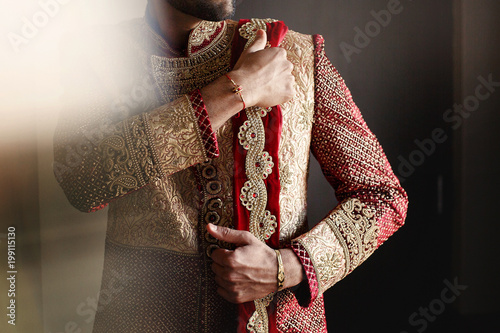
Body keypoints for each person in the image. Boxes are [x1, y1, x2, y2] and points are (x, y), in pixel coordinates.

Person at [53, 0, 408, 332]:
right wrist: (238, 89)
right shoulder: (97, 58)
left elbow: (382, 196)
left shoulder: (293, 54)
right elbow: (82, 181)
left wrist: (291, 266)